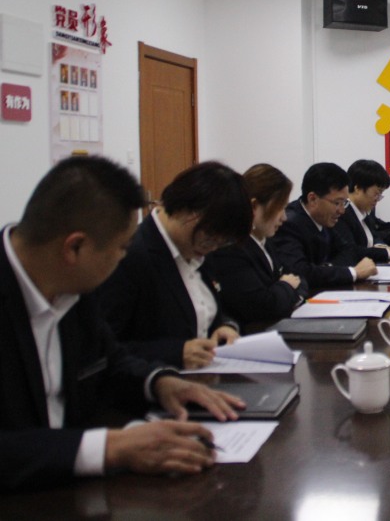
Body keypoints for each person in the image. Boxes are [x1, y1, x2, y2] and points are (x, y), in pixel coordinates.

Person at [0, 156, 244, 491]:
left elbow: (110, 360)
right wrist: (108, 448)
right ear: (75, 247)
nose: (124, 257)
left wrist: (160, 383)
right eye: (121, 247)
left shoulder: (71, 285)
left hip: (71, 489)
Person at [95, 162, 251, 370]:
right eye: (210, 235)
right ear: (185, 209)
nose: (213, 246)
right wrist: (175, 353)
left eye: (222, 241)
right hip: (154, 383)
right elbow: (102, 351)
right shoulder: (131, 257)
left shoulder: (198, 251)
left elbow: (202, 310)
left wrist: (225, 326)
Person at [209, 164, 309, 329]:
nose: (284, 217)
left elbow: (299, 278)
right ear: (254, 206)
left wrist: (284, 288)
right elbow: (263, 306)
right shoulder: (231, 247)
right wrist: (286, 285)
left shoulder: (265, 240)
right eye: (280, 208)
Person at [270, 162, 376, 290]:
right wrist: (353, 273)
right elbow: (299, 273)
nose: (342, 211)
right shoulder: (289, 224)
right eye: (337, 203)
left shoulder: (323, 218)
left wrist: (327, 268)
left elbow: (349, 250)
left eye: (344, 203)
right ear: (313, 199)